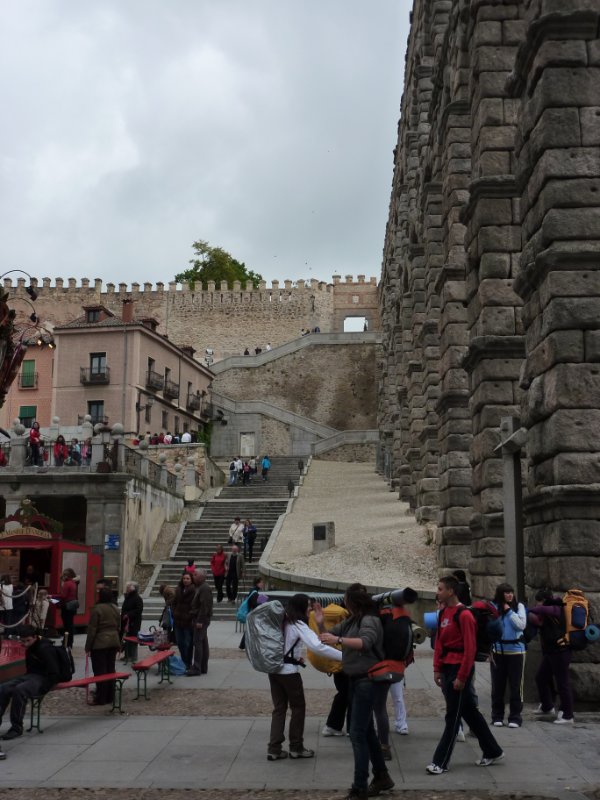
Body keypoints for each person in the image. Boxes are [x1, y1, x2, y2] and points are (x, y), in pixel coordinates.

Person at [317, 585, 394, 800]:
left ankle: (359, 787)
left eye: (346, 600)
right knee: (367, 732)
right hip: (356, 681)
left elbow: (365, 643)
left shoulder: (369, 620)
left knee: (357, 734)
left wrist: (339, 641)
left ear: (353, 602)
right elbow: (327, 636)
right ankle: (382, 776)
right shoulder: (353, 620)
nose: (344, 603)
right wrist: (320, 620)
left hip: (367, 681)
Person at [426, 575, 504, 775]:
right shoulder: (443, 613)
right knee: (469, 711)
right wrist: (437, 669)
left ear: (451, 591)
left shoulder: (465, 615)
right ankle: (493, 750)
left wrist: (461, 676)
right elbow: (440, 643)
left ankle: (440, 762)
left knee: (452, 716)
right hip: (447, 668)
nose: (438, 592)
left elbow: (470, 649)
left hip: (460, 669)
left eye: (440, 588)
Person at [266, 593, 341, 762]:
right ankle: (296, 747)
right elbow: (318, 647)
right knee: (298, 708)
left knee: (279, 709)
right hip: (289, 673)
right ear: (300, 607)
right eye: (308, 606)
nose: (310, 610)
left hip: (273, 670)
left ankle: (274, 749)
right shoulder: (298, 624)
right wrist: (344, 656)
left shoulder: (281, 620)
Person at [0, 624, 60, 741]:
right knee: (4, 688)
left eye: (28, 640)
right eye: (23, 641)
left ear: (35, 637)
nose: (25, 644)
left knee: (20, 690)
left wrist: (44, 688)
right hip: (31, 676)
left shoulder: (44, 648)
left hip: (44, 678)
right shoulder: (31, 647)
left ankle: (16, 728)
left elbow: (54, 673)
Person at [528, 588, 574, 724]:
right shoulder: (548, 610)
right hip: (551, 652)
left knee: (563, 683)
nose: (537, 605)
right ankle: (547, 706)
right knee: (541, 678)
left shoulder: (556, 608)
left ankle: (568, 715)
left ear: (545, 601)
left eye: (539, 602)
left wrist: (528, 610)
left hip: (560, 651)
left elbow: (540, 611)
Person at [490, 582, 526, 728]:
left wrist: (509, 611)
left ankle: (515, 717)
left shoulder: (519, 607)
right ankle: (497, 716)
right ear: (501, 594)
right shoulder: (494, 608)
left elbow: (521, 625)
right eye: (506, 592)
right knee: (497, 685)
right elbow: (489, 628)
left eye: (511, 592)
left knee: (516, 686)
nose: (510, 595)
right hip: (498, 651)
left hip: (516, 651)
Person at [85, 587, 121, 705]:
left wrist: (88, 646)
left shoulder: (97, 609)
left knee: (100, 671)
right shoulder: (115, 608)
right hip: (113, 640)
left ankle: (101, 697)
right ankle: (110, 696)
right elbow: (118, 626)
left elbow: (92, 630)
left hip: (100, 642)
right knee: (111, 669)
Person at [186, 569, 213, 676]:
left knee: (197, 642)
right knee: (203, 642)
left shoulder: (204, 588)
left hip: (201, 619)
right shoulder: (201, 587)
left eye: (195, 575)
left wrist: (200, 621)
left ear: (201, 577)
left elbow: (205, 606)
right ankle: (202, 667)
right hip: (200, 618)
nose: (193, 576)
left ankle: (197, 668)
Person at [171, 573, 196, 669]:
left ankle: (188, 662)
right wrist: (174, 612)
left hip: (187, 622)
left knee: (188, 643)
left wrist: (189, 615)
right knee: (180, 642)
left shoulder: (194, 590)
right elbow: (174, 602)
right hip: (178, 621)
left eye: (188, 578)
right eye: (184, 578)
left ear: (191, 580)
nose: (185, 580)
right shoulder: (178, 589)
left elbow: (194, 605)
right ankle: (184, 661)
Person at [120, 581, 143, 663]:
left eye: (128, 587)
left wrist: (128, 614)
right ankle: (127, 655)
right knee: (126, 638)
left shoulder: (137, 598)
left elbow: (138, 610)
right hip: (126, 622)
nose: (126, 588)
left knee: (133, 639)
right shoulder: (128, 597)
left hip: (134, 622)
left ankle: (133, 657)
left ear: (132, 588)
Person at [57, 568, 78, 648]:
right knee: (70, 625)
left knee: (66, 626)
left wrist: (53, 597)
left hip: (66, 606)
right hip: (72, 606)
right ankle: (70, 642)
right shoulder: (73, 583)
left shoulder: (66, 583)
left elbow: (63, 596)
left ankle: (66, 642)